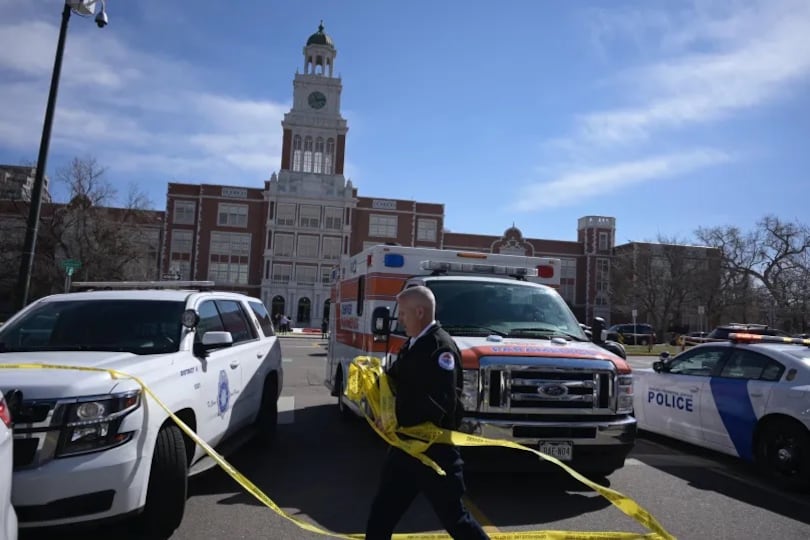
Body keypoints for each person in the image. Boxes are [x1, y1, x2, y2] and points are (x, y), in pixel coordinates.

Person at [365, 286, 489, 540]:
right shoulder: (413, 343)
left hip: (435, 453)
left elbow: (439, 401)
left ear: (419, 312)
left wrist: (395, 417)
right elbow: (394, 380)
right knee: (381, 514)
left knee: (456, 520)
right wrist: (374, 396)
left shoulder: (440, 347)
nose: (400, 319)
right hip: (405, 448)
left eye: (404, 314)